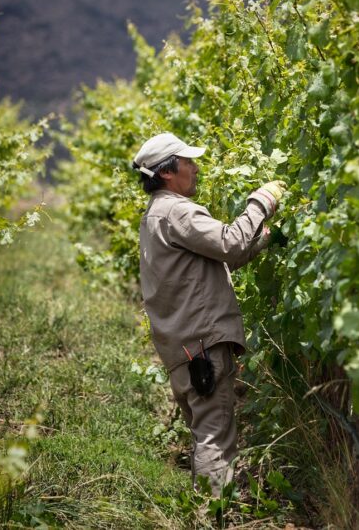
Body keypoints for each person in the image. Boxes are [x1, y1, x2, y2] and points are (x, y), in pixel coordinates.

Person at [132, 132, 286, 494]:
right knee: (215, 440)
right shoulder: (176, 210)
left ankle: (202, 512)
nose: (195, 168)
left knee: (205, 433)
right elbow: (231, 242)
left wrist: (263, 239)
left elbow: (225, 256)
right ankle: (208, 516)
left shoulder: (155, 215)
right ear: (167, 172)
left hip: (184, 349)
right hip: (201, 346)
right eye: (188, 162)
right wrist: (261, 201)